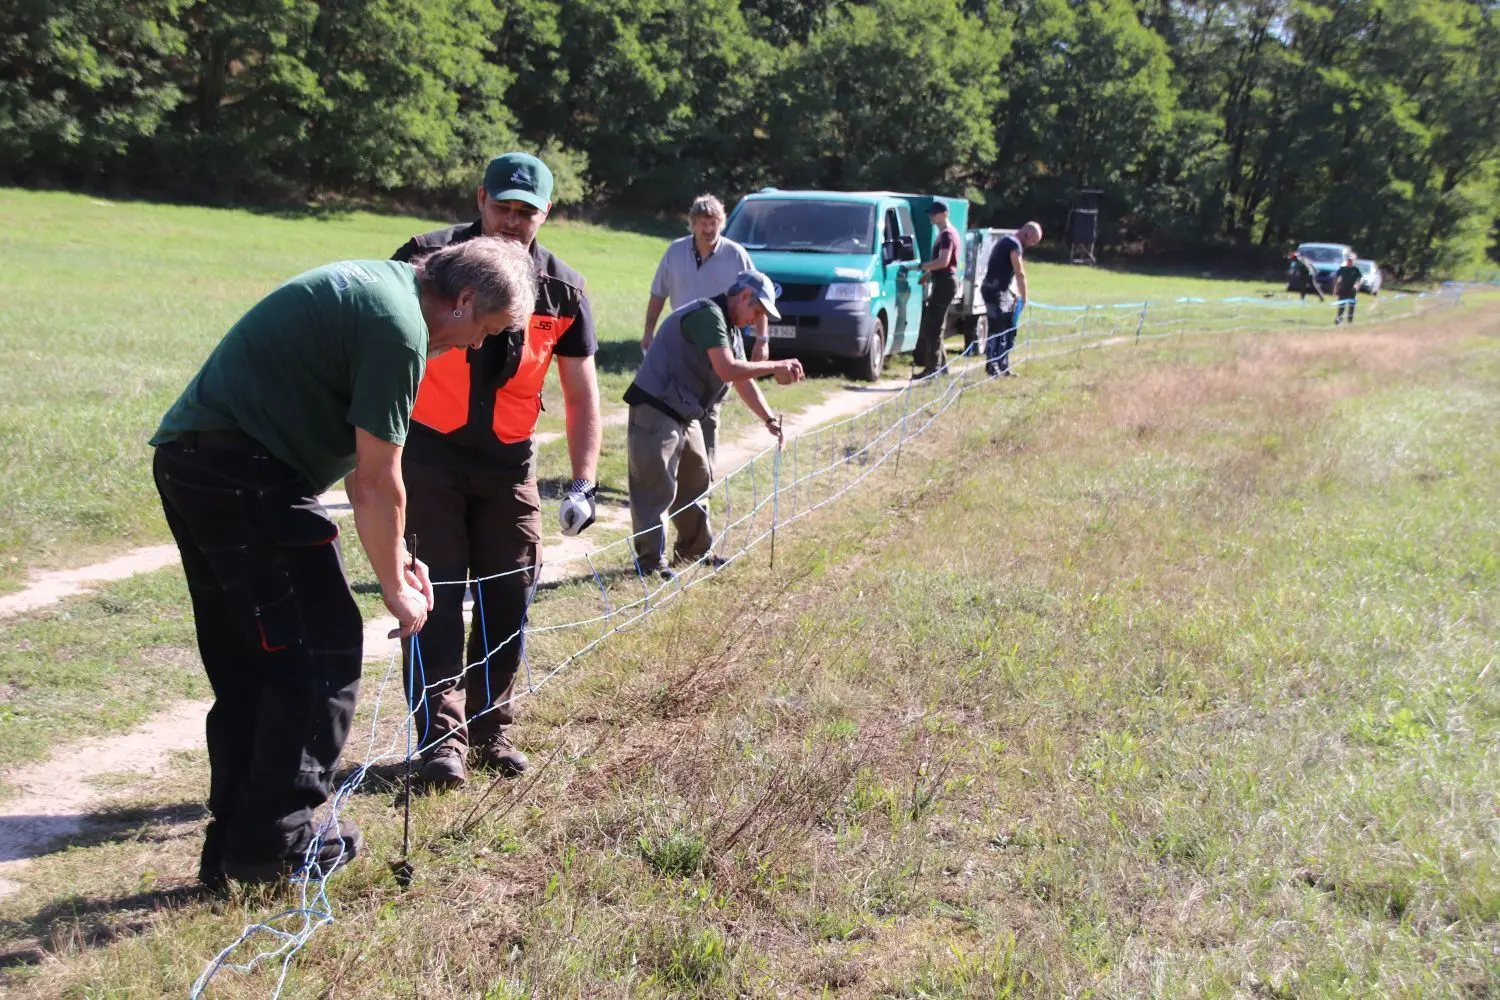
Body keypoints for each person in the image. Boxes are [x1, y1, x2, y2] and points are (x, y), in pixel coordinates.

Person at [151, 238, 537, 889]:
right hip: (243, 471)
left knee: (254, 663)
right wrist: (398, 589)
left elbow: (372, 488)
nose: (473, 347)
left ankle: (237, 845)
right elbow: (376, 482)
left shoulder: (383, 289)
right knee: (320, 652)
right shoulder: (400, 328)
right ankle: (281, 839)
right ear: (464, 299)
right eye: (484, 331)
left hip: (200, 463)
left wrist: (401, 557)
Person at [391, 152, 602, 791]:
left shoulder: (563, 289)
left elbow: (581, 390)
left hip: (509, 464)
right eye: (501, 206)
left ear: (545, 213)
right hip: (429, 456)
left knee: (509, 593)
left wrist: (583, 480)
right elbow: (385, 348)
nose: (512, 221)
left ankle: (490, 727)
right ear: (480, 198)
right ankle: (440, 740)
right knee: (438, 596)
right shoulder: (425, 260)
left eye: (526, 211)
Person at [625, 270, 805, 576]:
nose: (755, 319)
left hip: (684, 412)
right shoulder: (708, 315)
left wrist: (769, 419)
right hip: (656, 407)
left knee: (697, 477)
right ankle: (651, 564)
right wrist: (775, 365)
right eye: (757, 311)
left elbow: (741, 379)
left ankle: (693, 552)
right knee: (655, 487)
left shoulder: (730, 328)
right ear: (744, 296)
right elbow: (728, 368)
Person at [642, 194, 765, 463]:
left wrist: (761, 338)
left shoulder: (735, 254)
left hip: (721, 343)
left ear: (721, 223)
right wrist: (649, 331)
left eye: (714, 223)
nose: (708, 229)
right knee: (672, 404)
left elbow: (758, 299)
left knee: (709, 409)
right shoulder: (675, 251)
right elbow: (658, 294)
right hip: (682, 343)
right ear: (692, 224)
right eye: (702, 223)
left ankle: (703, 476)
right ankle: (666, 466)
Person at [980, 221, 1042, 377]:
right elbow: (1019, 272)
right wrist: (1024, 297)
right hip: (995, 291)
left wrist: (1012, 294)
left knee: (1008, 328)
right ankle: (993, 366)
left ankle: (1003, 365)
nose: (1032, 245)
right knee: (997, 328)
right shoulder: (1014, 245)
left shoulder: (1007, 241)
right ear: (1027, 234)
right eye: (1033, 241)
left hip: (1000, 290)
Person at [910, 202, 962, 379]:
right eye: (930, 213)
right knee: (935, 325)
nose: (931, 216)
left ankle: (933, 369)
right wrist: (929, 273)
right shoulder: (946, 233)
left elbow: (943, 261)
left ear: (944, 214)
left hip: (945, 282)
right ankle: (942, 367)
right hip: (943, 280)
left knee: (934, 326)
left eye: (935, 213)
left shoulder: (947, 235)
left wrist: (920, 267)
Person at [1333, 251, 1362, 325]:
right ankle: (1339, 320)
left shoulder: (1356, 270)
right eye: (1348, 260)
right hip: (1343, 289)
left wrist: (1356, 286)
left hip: (1352, 290)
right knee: (1341, 306)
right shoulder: (1343, 269)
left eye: (1351, 260)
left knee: (1351, 306)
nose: (1350, 262)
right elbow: (1337, 277)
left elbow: (1359, 279)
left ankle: (1350, 321)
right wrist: (1335, 288)